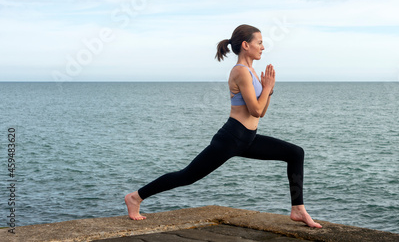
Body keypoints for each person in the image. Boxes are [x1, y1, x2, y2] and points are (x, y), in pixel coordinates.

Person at [125, 24, 322, 228]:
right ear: (246, 45)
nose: (263, 47)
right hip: (231, 138)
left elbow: (261, 113)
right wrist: (268, 88)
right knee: (187, 176)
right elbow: (254, 109)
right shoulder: (240, 72)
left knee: (295, 153)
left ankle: (298, 208)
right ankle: (135, 197)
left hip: (248, 138)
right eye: (260, 42)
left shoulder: (253, 72)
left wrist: (268, 91)